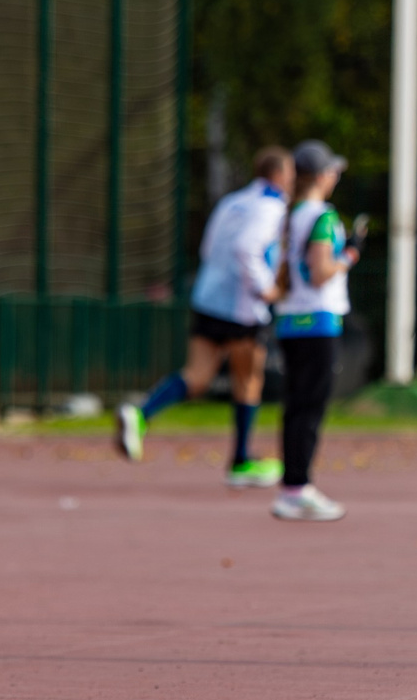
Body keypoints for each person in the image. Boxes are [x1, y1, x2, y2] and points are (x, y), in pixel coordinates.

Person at [118, 146, 291, 486]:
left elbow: (208, 248)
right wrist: (265, 289)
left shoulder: (232, 202)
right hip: (241, 307)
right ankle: (241, 460)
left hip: (208, 297)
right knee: (249, 380)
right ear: (281, 175)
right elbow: (247, 248)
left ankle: (140, 414)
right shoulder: (272, 208)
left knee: (197, 376)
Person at [270, 140, 358, 522]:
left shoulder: (289, 214)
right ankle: (297, 488)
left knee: (295, 407)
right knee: (309, 407)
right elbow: (321, 271)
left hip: (291, 320)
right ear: (322, 176)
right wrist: (350, 256)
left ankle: (293, 485)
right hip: (318, 321)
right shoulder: (322, 216)